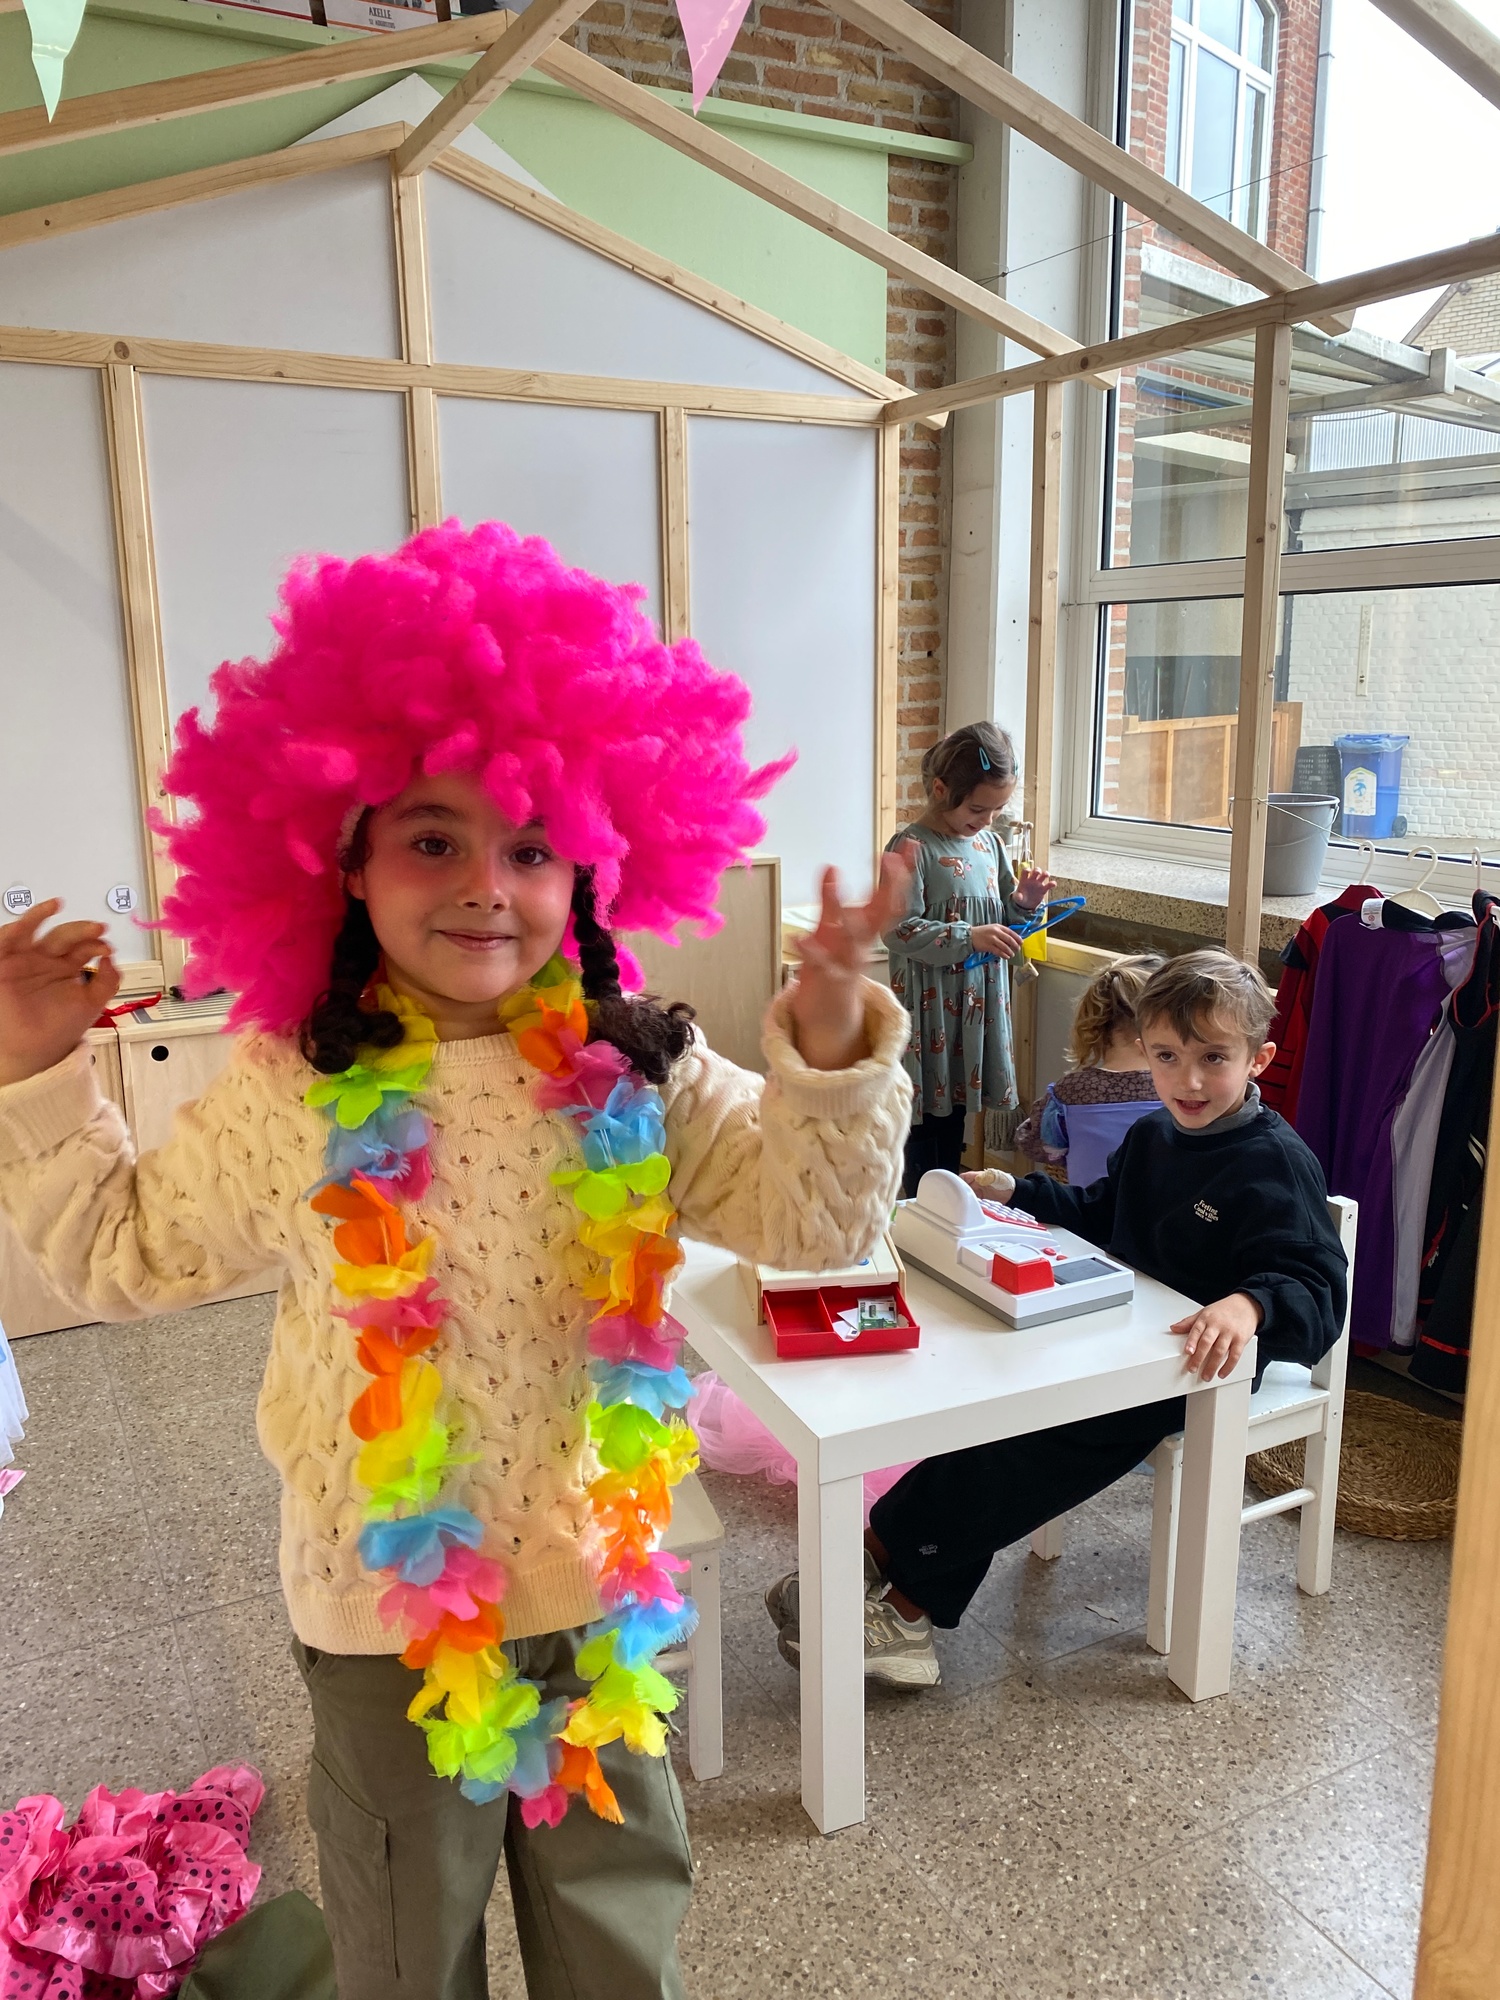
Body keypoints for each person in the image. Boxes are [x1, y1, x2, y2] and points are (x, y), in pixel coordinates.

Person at [0, 522, 914, 2000]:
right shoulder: (297, 1086)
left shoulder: (643, 1068)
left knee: (621, 1939)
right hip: (384, 1619)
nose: (488, 883)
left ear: (590, 868)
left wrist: (827, 1043)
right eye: (433, 839)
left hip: (603, 1597)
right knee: (405, 1947)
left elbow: (822, 1230)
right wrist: (38, 1075)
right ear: (342, 861)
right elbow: (125, 1255)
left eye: (532, 847)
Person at [766, 949, 1348, 1689]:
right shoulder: (1153, 1135)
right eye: (1167, 1057)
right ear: (1144, 1050)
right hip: (1120, 1330)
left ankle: (909, 1609)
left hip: (1196, 1367)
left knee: (1032, 1443)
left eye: (1214, 1058)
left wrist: (1251, 1303)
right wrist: (1018, 1192)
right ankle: (876, 1554)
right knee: (988, 1412)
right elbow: (1102, 1213)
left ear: (1258, 1059)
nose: (1189, 1081)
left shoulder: (1275, 1163)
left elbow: (1320, 1291)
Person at [883, 721, 1055, 1196]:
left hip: (976, 1011)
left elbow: (1006, 925)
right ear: (941, 790)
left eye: (998, 809)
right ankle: (919, 1207)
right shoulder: (910, 848)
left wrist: (1023, 903)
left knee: (955, 1114)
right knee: (924, 1125)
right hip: (929, 1013)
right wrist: (969, 936)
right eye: (978, 808)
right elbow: (897, 929)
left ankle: (946, 1206)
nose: (988, 819)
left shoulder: (989, 845)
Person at [1014, 953, 1163, 1186]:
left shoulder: (1071, 1091)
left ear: (1096, 1024)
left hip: (1084, 1206)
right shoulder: (1177, 1089)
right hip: (1162, 1208)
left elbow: (1033, 1143)